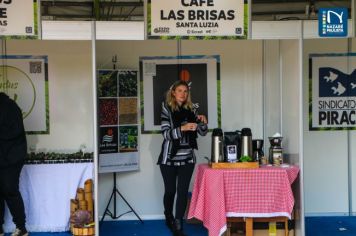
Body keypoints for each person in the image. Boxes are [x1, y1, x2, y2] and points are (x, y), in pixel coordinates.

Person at [157, 80, 208, 236]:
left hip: (187, 158)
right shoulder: (166, 109)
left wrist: (202, 122)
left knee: (183, 191)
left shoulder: (191, 109)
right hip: (169, 158)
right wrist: (182, 128)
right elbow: (166, 134)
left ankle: (178, 224)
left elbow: (202, 132)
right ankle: (168, 216)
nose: (183, 94)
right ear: (173, 92)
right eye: (179, 91)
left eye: (185, 91)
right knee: (171, 190)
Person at [0, 92, 28, 236]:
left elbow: (14, 133)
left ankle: (21, 228)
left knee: (10, 191)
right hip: (4, 156)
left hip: (12, 158)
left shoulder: (10, 107)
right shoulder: (9, 106)